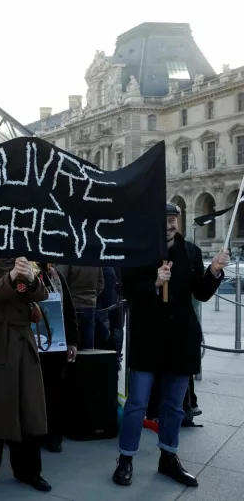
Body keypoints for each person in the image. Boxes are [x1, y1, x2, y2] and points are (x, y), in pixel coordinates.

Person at [112, 203, 226, 488]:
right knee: (137, 404)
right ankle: (126, 458)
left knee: (174, 406)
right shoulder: (138, 251)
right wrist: (154, 281)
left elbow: (200, 292)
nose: (168, 225)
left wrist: (213, 271)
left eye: (173, 220)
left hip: (181, 339)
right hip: (147, 339)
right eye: (163, 220)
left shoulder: (191, 252)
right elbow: (127, 291)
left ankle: (169, 457)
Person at [0, 257, 52, 492]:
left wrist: (32, 278)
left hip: (22, 342)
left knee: (27, 408)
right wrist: (13, 276)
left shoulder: (28, 269)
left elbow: (41, 296)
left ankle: (30, 471)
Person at [34, 263, 79, 453]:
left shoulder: (55, 276)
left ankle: (52, 435)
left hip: (54, 345)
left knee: (53, 391)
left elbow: (68, 309)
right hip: (29, 344)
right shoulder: (19, 275)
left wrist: (72, 341)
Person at [55, 264, 104, 349]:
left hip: (71, 305)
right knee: (88, 347)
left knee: (70, 345)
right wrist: (92, 296)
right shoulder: (94, 258)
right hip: (89, 305)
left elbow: (59, 281)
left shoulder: (67, 257)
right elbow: (100, 283)